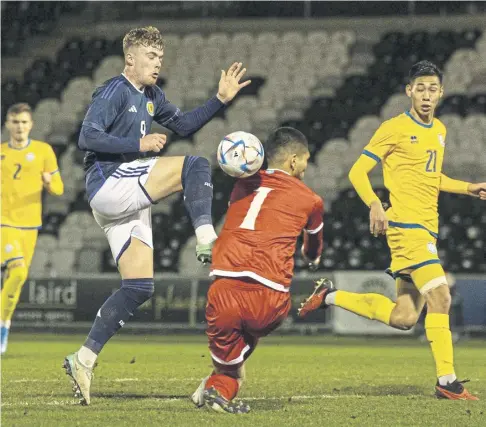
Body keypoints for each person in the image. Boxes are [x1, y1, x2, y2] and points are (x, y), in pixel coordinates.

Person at [62, 26, 250, 405]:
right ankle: (206, 236)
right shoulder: (114, 90)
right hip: (109, 183)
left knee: (138, 287)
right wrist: (138, 144)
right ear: (130, 58)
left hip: (124, 199)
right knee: (194, 165)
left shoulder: (153, 95)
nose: (157, 64)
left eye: (160, 59)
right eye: (151, 57)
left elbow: (183, 125)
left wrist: (219, 99)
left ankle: (83, 359)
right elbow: (87, 136)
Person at [298, 61, 485, 400]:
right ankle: (447, 382)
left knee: (404, 316)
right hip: (406, 228)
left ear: (441, 93)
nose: (426, 95)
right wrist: (374, 203)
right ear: (409, 91)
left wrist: (468, 188)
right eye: (420, 88)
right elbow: (357, 171)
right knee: (441, 297)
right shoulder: (394, 128)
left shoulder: (440, 130)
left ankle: (328, 296)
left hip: (426, 229)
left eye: (433, 89)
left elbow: (432, 178)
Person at [191, 127, 324, 413]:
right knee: (248, 341)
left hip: (224, 288)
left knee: (232, 369)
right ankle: (217, 388)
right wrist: (312, 258)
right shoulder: (312, 200)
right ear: (292, 161)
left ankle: (219, 384)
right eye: (305, 160)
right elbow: (313, 249)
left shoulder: (241, 185)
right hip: (269, 295)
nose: (305, 166)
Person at [1, 103, 64, 354]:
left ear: (31, 125)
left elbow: (59, 188)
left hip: (30, 225)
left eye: (24, 122)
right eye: (15, 122)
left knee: (16, 280)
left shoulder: (43, 151)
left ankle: (4, 325)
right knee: (16, 272)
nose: (19, 127)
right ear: (7, 124)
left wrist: (49, 182)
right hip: (4, 222)